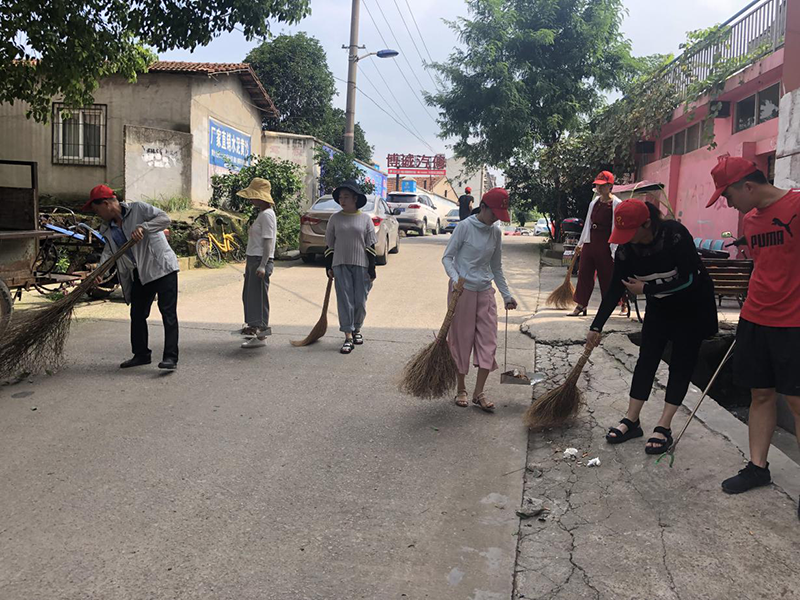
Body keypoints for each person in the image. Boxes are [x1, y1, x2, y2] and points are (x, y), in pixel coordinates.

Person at [705, 156, 800, 517]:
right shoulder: (752, 220)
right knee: (760, 394)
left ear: (748, 185)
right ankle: (758, 468)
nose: (728, 204)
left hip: (794, 322)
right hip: (756, 317)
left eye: (727, 195)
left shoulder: (796, 205)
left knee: (796, 401)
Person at [585, 199, 717, 453]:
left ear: (647, 223)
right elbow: (615, 288)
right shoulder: (626, 250)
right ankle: (632, 420)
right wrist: (596, 326)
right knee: (647, 359)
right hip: (660, 308)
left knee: (681, 362)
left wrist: (646, 289)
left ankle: (663, 426)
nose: (627, 239)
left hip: (692, 306)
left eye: (631, 232)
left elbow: (690, 279)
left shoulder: (674, 236)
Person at [83, 185, 180, 370]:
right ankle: (141, 354)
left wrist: (144, 227)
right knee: (137, 314)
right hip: (140, 273)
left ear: (106, 204)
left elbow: (165, 219)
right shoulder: (108, 228)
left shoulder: (139, 209)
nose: (97, 214)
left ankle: (170, 358)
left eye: (97, 210)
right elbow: (110, 252)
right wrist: (99, 273)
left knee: (168, 313)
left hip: (161, 267)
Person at [442, 188, 518, 412]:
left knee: (488, 341)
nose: (495, 219)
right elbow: (447, 257)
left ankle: (479, 392)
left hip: (485, 290)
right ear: (482, 207)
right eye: (493, 213)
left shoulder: (495, 232)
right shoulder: (464, 227)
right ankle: (461, 389)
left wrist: (506, 294)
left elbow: (496, 267)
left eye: (499, 215)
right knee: (461, 340)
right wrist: (456, 280)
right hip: (462, 291)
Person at [324, 181, 377, 354]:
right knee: (344, 300)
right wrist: (328, 265)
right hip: (340, 263)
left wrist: (372, 269)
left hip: (361, 265)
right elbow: (329, 244)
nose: (342, 200)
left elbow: (370, 245)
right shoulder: (335, 218)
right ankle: (347, 335)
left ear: (355, 198)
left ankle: (357, 329)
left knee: (360, 301)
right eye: (340, 197)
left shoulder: (365, 219)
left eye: (346, 197)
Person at [569, 171, 624, 317]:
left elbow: (617, 227)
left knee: (607, 275)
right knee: (584, 272)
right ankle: (581, 304)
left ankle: (609, 304)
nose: (599, 189)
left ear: (610, 186)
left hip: (607, 243)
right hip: (591, 240)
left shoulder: (617, 204)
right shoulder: (594, 202)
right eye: (597, 186)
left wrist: (615, 246)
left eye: (602, 186)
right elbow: (588, 222)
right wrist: (581, 243)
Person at [236, 178, 277, 349]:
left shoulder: (267, 215)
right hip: (254, 258)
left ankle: (261, 335)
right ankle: (255, 330)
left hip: (260, 259)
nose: (250, 199)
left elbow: (268, 241)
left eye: (253, 196)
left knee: (259, 298)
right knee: (250, 296)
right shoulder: (262, 214)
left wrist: (263, 264)